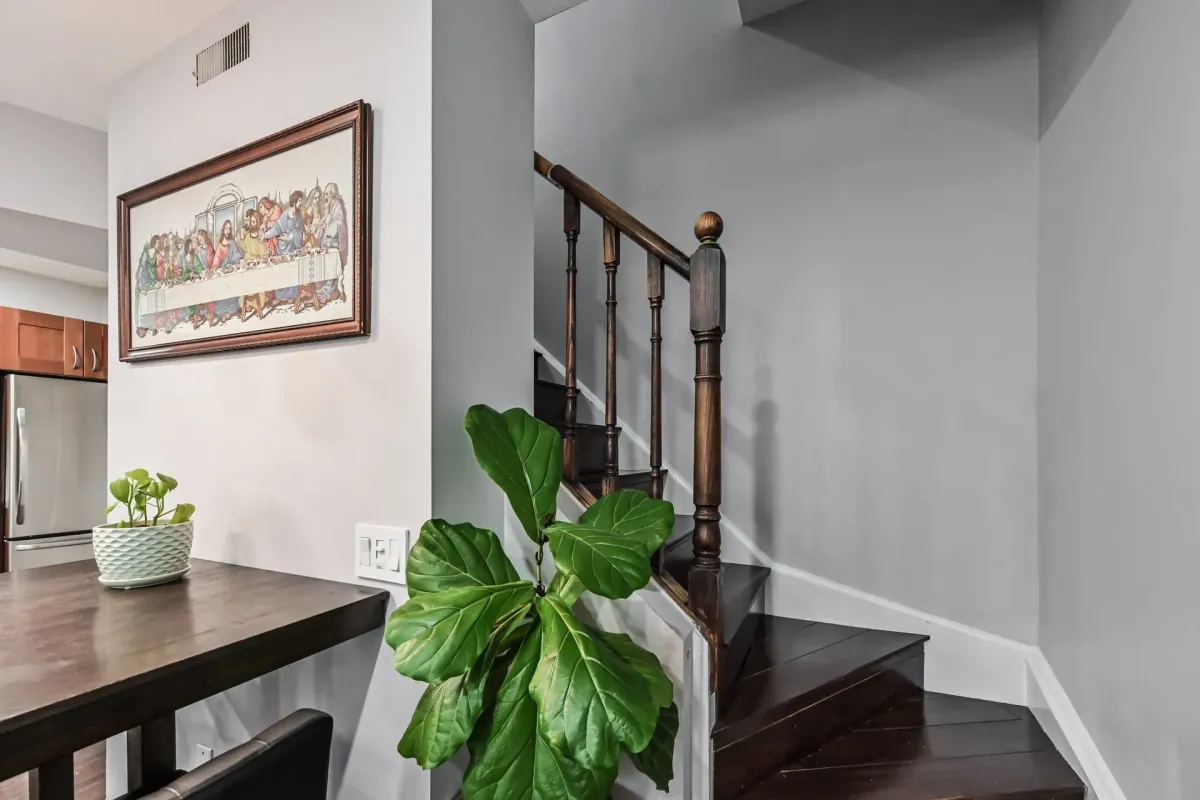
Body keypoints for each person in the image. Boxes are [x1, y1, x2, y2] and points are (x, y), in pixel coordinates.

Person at [262, 191, 306, 255]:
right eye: (299, 201)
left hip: (295, 247)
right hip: (285, 248)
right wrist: (266, 235)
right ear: (294, 203)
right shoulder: (286, 214)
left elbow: (299, 230)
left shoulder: (298, 214)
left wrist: (291, 236)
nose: (301, 203)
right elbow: (277, 228)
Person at [321, 182, 348, 265]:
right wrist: (326, 209)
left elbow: (338, 224)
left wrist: (327, 227)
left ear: (331, 194)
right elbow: (327, 221)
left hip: (334, 241)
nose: (325, 197)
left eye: (326, 194)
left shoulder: (338, 205)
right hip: (327, 241)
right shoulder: (329, 206)